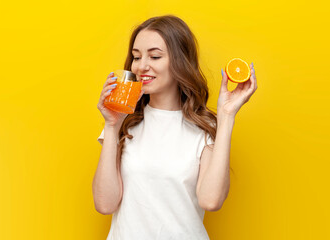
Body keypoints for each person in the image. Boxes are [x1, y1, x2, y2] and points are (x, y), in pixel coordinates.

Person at [93, 15, 257, 240]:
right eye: (136, 57)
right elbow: (104, 203)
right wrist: (112, 127)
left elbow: (211, 200)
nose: (142, 66)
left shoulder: (204, 127)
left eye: (155, 56)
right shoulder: (124, 122)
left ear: (180, 61)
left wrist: (227, 116)